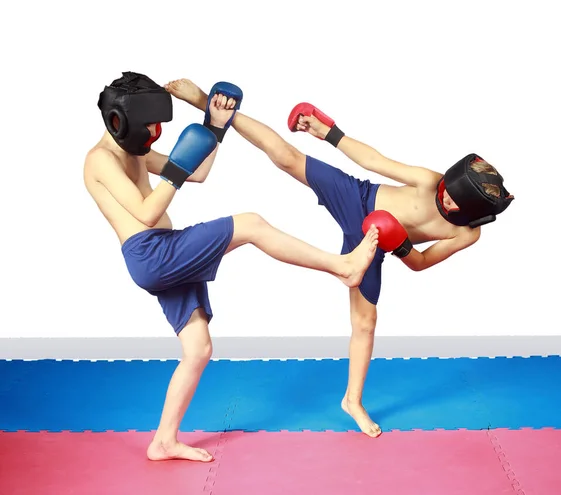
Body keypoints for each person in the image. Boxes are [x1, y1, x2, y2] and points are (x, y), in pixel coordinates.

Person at [163, 78, 514, 439]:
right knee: (287, 157)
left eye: (458, 203)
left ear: (473, 213)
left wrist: (399, 243)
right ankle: (212, 106)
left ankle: (353, 401)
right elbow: (374, 160)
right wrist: (329, 133)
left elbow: (421, 263)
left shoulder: (466, 233)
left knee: (365, 324)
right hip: (358, 198)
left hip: (378, 242)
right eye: (451, 192)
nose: (449, 200)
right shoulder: (431, 180)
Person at [83, 72, 380, 462]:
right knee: (251, 224)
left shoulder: (134, 152)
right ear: (120, 121)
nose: (155, 132)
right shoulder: (100, 160)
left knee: (198, 349)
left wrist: (214, 128)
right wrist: (176, 168)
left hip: (163, 253)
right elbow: (147, 212)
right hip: (152, 253)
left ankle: (163, 440)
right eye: (150, 126)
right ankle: (342, 267)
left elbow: (198, 173)